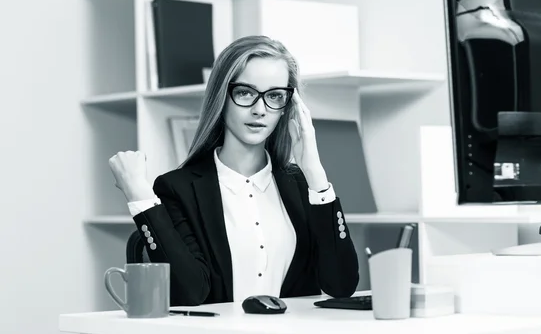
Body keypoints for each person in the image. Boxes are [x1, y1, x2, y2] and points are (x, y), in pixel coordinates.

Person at [108, 35, 359, 306]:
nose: (260, 109)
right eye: (245, 93)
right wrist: (140, 196)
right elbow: (188, 292)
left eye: (275, 96)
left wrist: (315, 173)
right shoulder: (177, 188)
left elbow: (341, 285)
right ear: (222, 96)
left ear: (289, 107)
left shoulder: (301, 185)